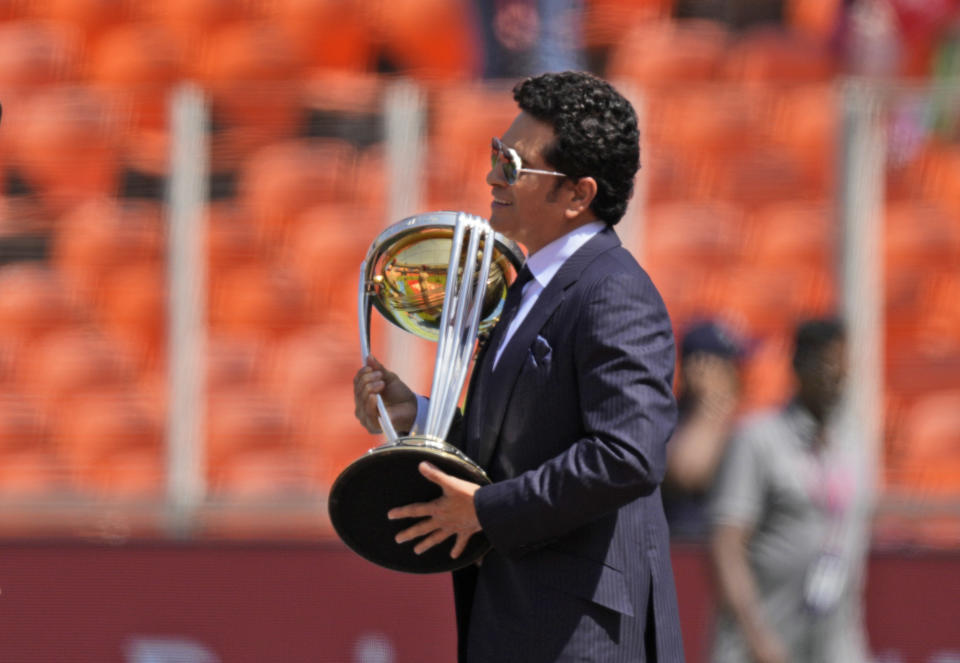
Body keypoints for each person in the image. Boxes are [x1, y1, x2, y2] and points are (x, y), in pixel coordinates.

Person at [354, 71, 684, 663]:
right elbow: (517, 442)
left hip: (581, 629)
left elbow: (628, 456)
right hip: (525, 617)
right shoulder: (528, 285)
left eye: (512, 163)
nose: (492, 176)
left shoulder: (613, 292)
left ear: (578, 195)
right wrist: (418, 414)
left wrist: (484, 510)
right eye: (494, 155)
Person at [708, 318, 873, 663]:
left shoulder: (851, 443)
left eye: (843, 364)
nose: (837, 376)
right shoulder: (757, 439)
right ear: (799, 365)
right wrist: (756, 637)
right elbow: (726, 546)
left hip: (835, 639)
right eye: (827, 363)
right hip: (763, 641)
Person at [663, 320, 745, 540]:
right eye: (728, 366)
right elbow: (686, 473)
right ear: (699, 368)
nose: (737, 376)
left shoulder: (738, 422)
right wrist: (707, 410)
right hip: (683, 546)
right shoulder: (667, 417)